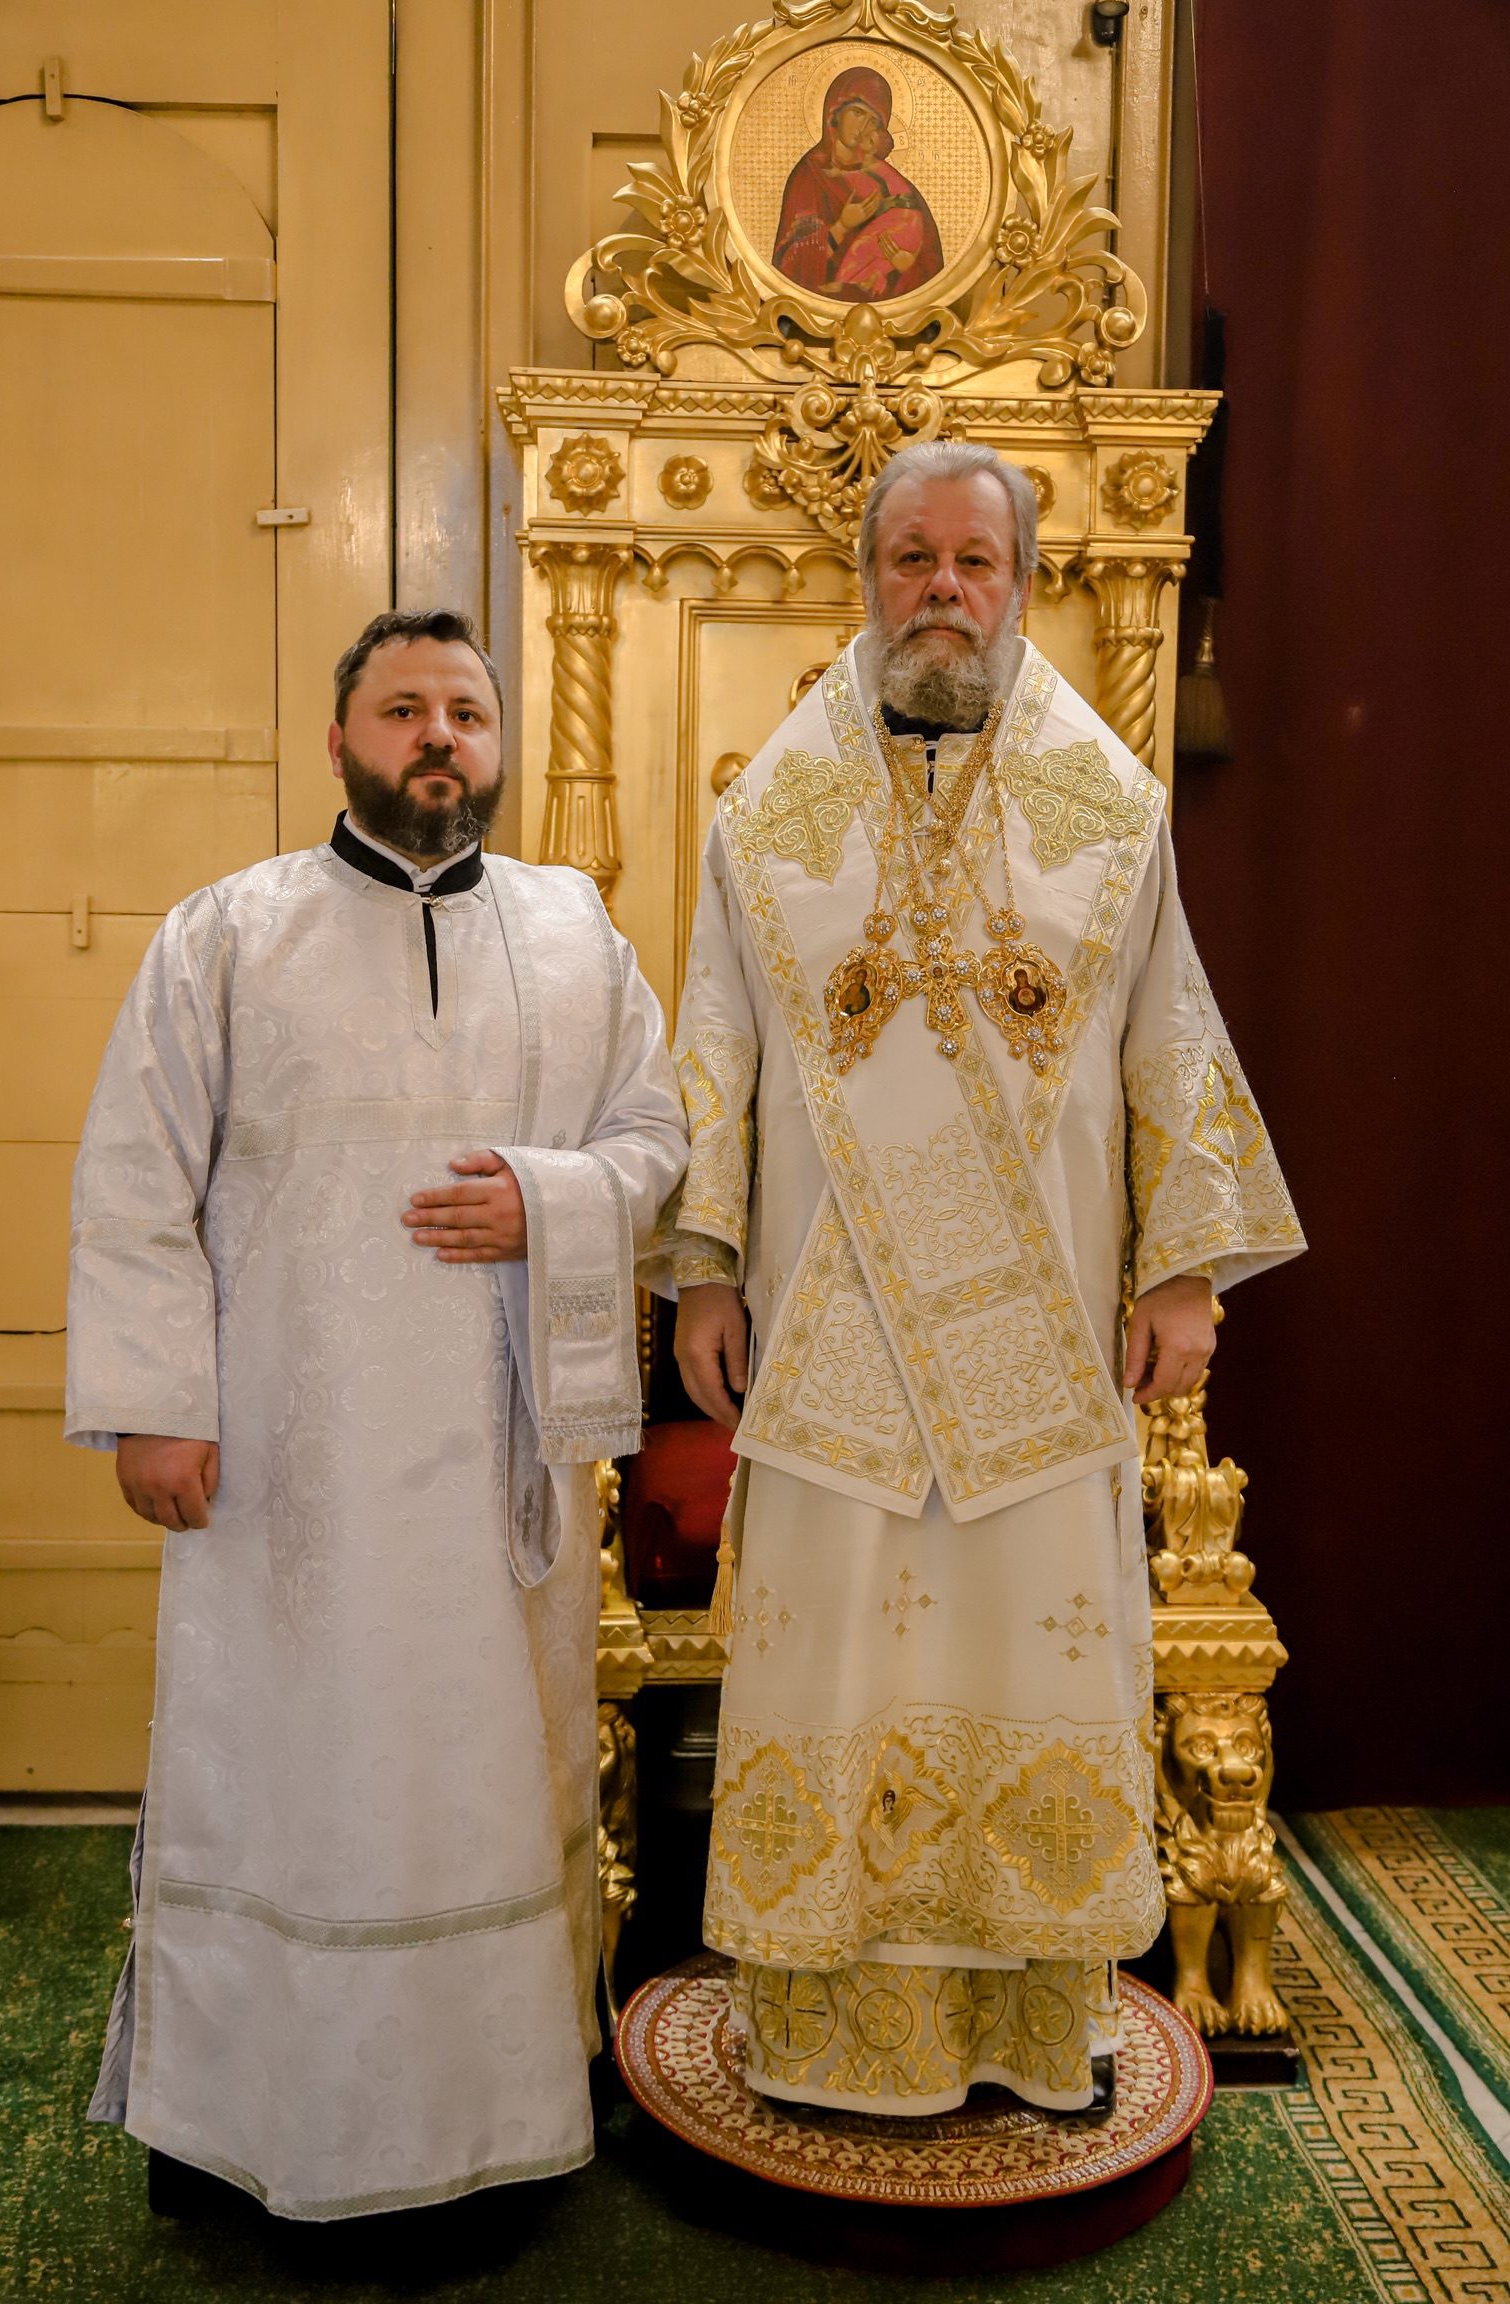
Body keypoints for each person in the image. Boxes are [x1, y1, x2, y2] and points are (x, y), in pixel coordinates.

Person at [662, 442, 1304, 2117]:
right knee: (838, 1667)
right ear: (866, 578)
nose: (941, 588)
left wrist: (1181, 1269)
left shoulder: (1109, 806)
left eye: (974, 560)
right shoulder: (769, 811)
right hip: (834, 1328)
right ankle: (824, 2033)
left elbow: (1167, 1033)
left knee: (1032, 1652)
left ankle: (1030, 2025)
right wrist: (705, 1264)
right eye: (911, 558)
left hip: (1039, 1331)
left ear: (1020, 584)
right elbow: (714, 1042)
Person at [68, 608, 687, 2217]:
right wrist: (153, 1403)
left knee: (489, 1780)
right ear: (339, 739)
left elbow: (655, 1133)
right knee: (294, 1783)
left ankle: (495, 2133)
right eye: (403, 709)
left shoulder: (575, 933)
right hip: (289, 1475)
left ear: (498, 745)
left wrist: (549, 1199)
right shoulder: (228, 934)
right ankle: (257, 2124)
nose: (438, 738)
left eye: (466, 712)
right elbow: (136, 1174)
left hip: (493, 1474)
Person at [772, 66, 944, 302]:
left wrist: (907, 266)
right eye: (857, 113)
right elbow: (788, 266)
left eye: (873, 121)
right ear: (835, 110)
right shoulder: (810, 176)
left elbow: (931, 268)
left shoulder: (893, 182)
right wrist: (841, 227)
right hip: (817, 310)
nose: (863, 128)